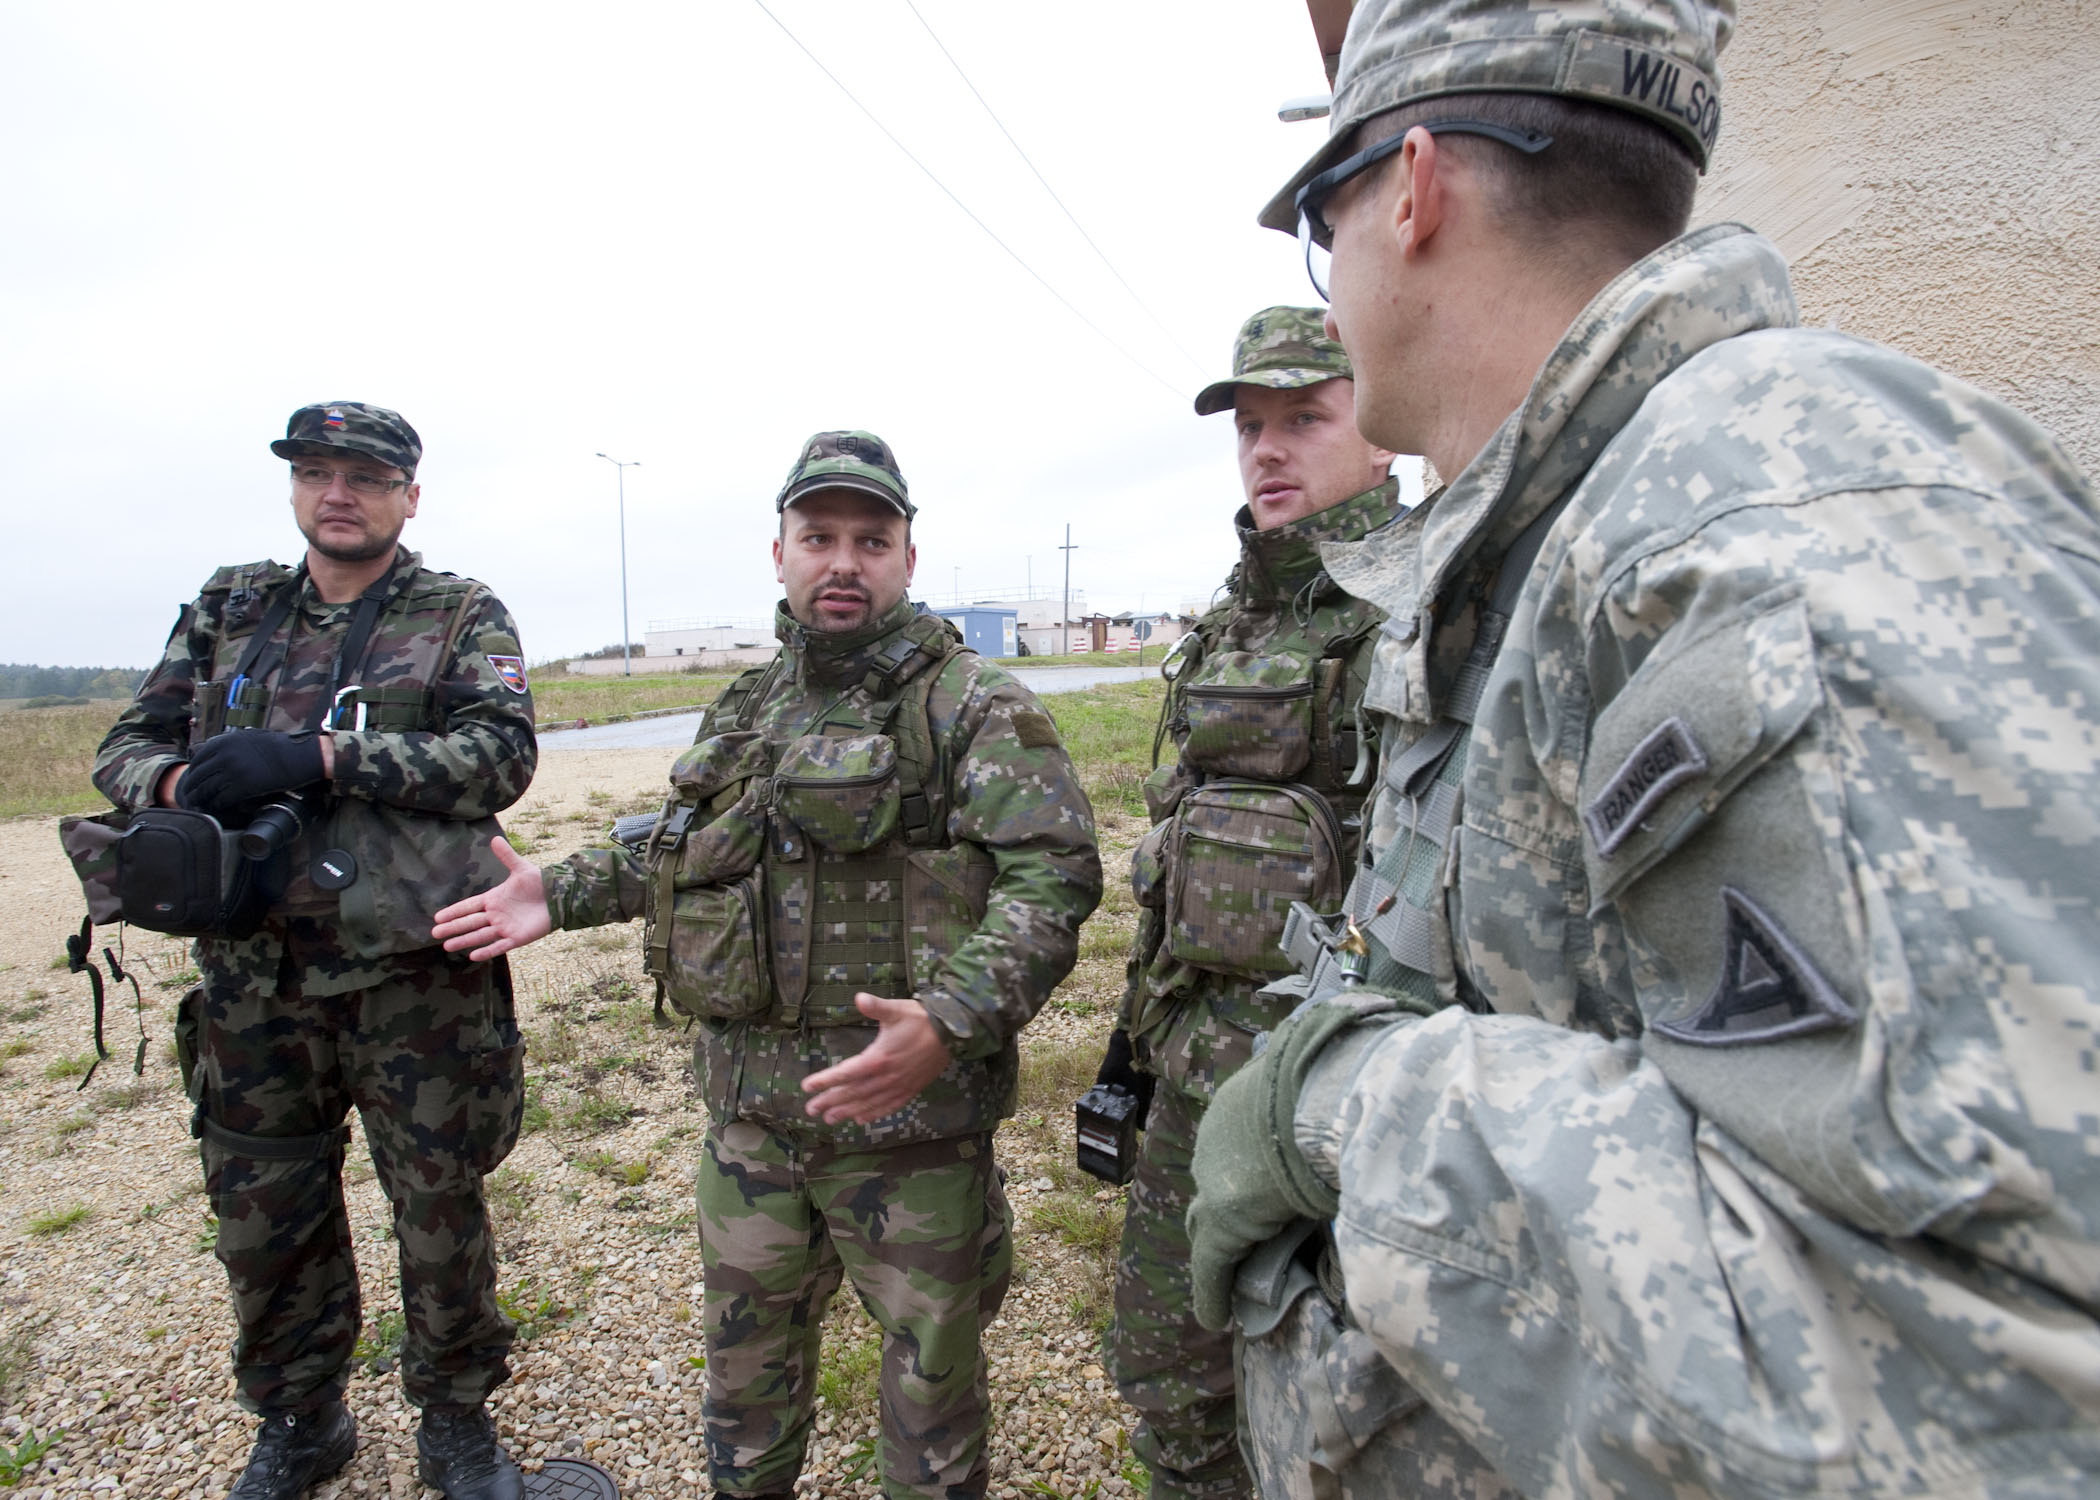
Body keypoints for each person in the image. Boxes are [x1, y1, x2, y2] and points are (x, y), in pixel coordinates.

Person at [1185, 2, 2100, 1497]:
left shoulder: (1759, 509)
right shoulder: (1568, 530)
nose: (1329, 286)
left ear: (1409, 190)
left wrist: (1346, 1106)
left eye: (1321, 224)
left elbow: (1985, 1380)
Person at [432, 430, 1104, 1500]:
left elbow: (1055, 874)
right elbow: (690, 846)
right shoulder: (747, 706)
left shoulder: (971, 703)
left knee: (930, 1391)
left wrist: (951, 1016)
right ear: (780, 551)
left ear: (908, 559)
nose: (844, 561)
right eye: (819, 536)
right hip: (750, 1125)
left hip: (911, 1134)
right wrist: (555, 890)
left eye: (871, 540)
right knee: (745, 1387)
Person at [93, 404, 538, 1500]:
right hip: (250, 979)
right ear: (296, 488)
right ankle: (300, 1416)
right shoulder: (230, 606)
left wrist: (324, 757)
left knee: (438, 1209)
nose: (339, 492)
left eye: (366, 477)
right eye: (318, 472)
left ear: (408, 497)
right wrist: (179, 787)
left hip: (413, 975)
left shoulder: (455, 611)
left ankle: (455, 1418)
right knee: (263, 1213)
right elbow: (125, 747)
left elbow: (499, 755)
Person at [1098, 307, 1397, 1500]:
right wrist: (1130, 1048)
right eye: (1253, 427)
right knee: (1168, 1370)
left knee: (1345, 1404)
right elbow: (1176, 859)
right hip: (1190, 1071)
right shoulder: (1228, 624)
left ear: (1377, 432)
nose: (1270, 450)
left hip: (1334, 1097)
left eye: (1305, 419)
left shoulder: (1417, 613)